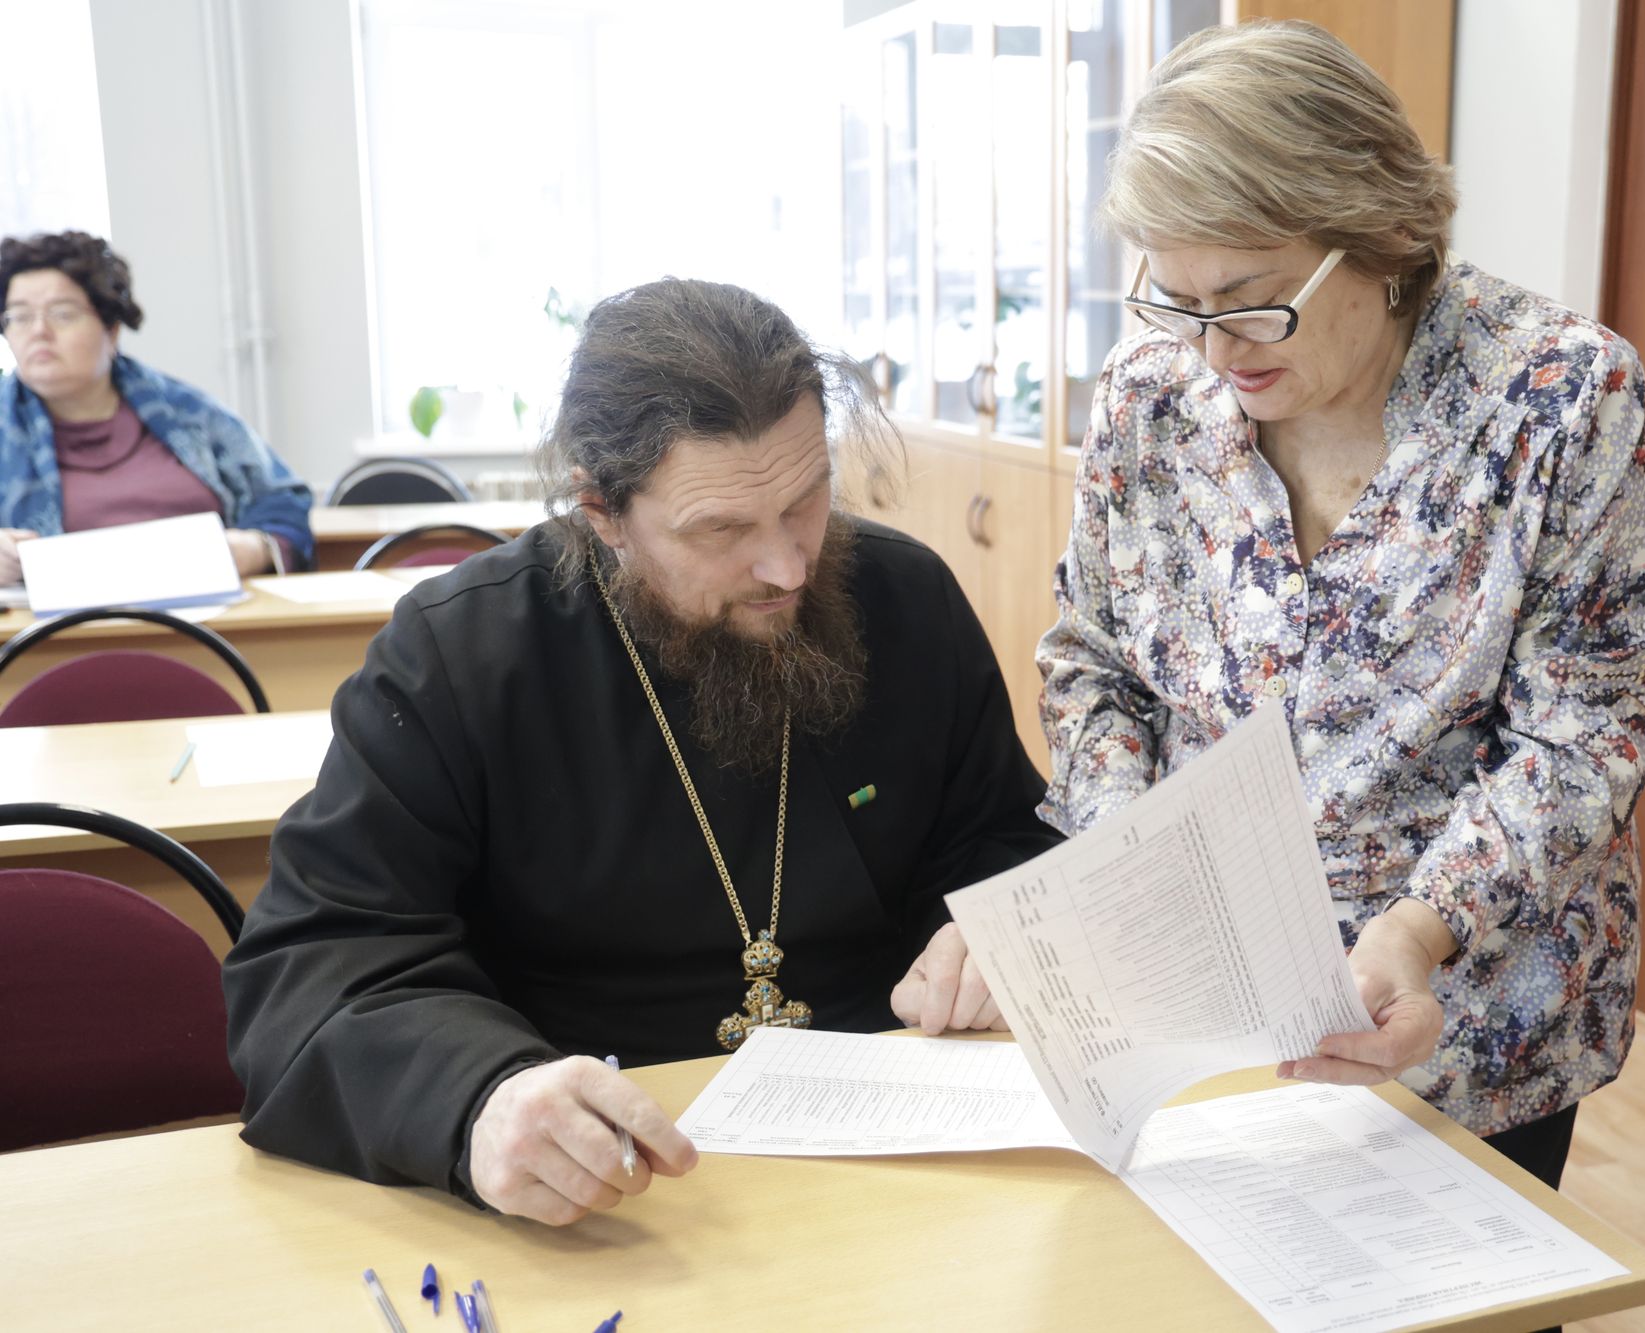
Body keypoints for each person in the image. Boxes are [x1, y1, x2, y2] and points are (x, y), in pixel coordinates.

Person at [223, 277, 1059, 1225]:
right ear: (602, 512)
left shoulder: (906, 600)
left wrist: (1003, 928)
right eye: (722, 529)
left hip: (906, 1155)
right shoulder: (461, 655)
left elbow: (1001, 838)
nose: (787, 565)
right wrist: (479, 1098)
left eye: (806, 500)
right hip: (603, 1186)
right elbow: (313, 965)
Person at [1039, 20, 1645, 1195]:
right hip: (1202, 1001)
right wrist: (1126, 857)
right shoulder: (1150, 397)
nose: (1214, 352)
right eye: (1177, 302)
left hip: (1464, 1017)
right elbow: (1092, 658)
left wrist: (1417, 927)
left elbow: (1581, 737)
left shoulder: (1554, 398)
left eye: (1251, 302)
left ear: (1376, 235)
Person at [0, 230, 312, 582]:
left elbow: (282, 501)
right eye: (20, 316)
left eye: (62, 314)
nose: (38, 331)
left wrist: (255, 548)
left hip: (206, 609)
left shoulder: (187, 413)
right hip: (56, 617)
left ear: (112, 329)